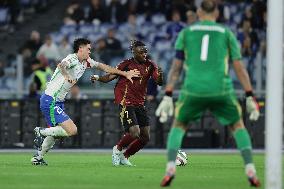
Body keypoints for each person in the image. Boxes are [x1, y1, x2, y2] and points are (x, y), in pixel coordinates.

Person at [155, 0, 261, 187]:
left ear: (199, 13)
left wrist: (168, 94)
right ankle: (250, 168)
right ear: (217, 14)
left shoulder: (186, 33)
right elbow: (239, 68)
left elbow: (176, 67)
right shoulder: (227, 33)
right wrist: (250, 94)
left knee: (179, 125)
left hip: (193, 89)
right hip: (221, 89)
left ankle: (170, 167)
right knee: (237, 125)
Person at [31, 38, 140, 165]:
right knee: (72, 130)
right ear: (80, 49)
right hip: (51, 99)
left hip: (57, 101)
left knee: (56, 133)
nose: (90, 51)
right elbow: (61, 66)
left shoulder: (86, 62)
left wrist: (124, 73)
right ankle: (40, 131)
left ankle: (37, 157)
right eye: (88, 49)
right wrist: (67, 76)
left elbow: (103, 67)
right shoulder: (72, 58)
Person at [90, 40, 163, 166]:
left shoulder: (151, 65)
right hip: (126, 101)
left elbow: (159, 82)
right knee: (135, 132)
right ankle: (117, 149)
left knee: (145, 137)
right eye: (141, 52)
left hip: (140, 103)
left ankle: (125, 156)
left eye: (145, 51)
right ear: (134, 52)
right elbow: (109, 77)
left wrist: (161, 76)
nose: (144, 54)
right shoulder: (126, 64)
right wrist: (98, 78)